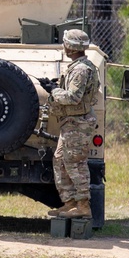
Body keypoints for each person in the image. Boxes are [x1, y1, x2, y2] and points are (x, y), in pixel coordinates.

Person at [40, 29, 98, 219]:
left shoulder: (81, 69)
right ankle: (70, 202)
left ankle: (83, 205)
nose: (64, 46)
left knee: (75, 163)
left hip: (78, 123)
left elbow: (73, 98)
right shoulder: (77, 67)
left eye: (66, 43)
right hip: (71, 123)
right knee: (60, 160)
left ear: (71, 47)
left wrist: (54, 91)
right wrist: (56, 87)